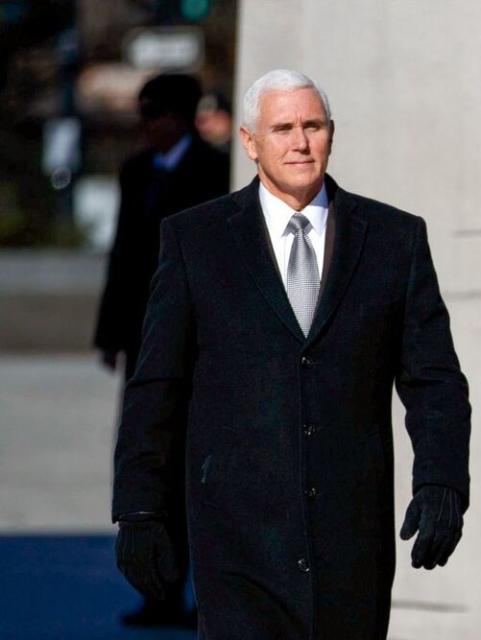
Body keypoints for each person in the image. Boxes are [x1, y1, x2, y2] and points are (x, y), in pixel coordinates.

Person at [110, 68, 471, 639]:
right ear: (250, 143)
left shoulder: (393, 238)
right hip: (237, 536)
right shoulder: (196, 241)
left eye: (313, 126)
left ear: (332, 133)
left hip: (351, 534)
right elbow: (158, 385)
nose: (300, 143)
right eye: (282, 128)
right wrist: (138, 508)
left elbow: (435, 381)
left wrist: (442, 482)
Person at [94, 72, 229, 627]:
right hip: (143, 341)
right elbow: (122, 258)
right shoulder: (135, 172)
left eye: (154, 113)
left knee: (196, 465)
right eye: (141, 113)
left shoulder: (215, 172)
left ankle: (206, 591)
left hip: (197, 344)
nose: (146, 125)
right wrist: (108, 333)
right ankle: (161, 589)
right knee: (147, 455)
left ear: (179, 116)